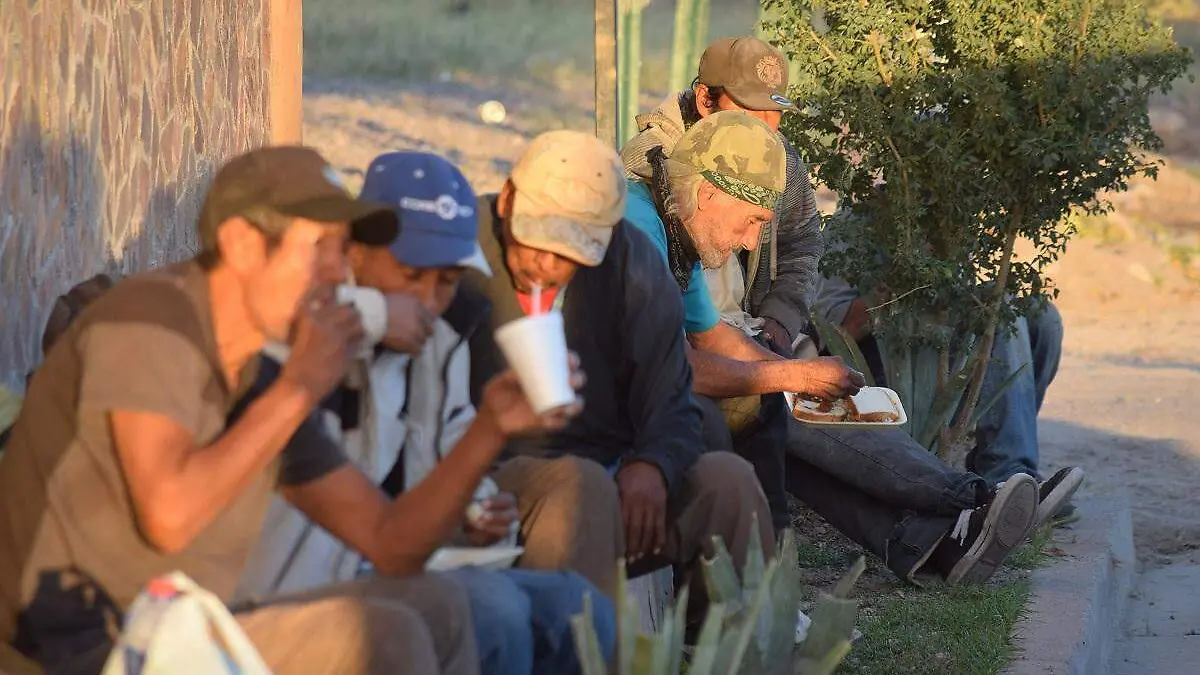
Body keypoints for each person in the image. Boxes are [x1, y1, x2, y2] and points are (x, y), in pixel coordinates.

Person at [0, 146, 576, 675]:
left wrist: (489, 429)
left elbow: (389, 542)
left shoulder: (265, 372)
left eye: (342, 249)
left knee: (443, 606)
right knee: (384, 634)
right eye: (320, 248)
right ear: (243, 244)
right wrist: (300, 388)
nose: (338, 271)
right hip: (83, 649)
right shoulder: (153, 320)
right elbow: (168, 515)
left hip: (194, 629)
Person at [621, 109, 1045, 585]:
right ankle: (967, 500)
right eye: (752, 221)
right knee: (760, 412)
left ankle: (931, 540)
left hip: (655, 393)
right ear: (708, 194)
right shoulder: (638, 227)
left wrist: (798, 377)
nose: (753, 240)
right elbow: (671, 366)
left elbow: (710, 335)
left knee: (783, 407)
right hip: (613, 415)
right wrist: (790, 376)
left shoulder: (680, 222)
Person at [235, 150, 615, 675]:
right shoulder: (307, 329)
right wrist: (373, 316)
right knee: (495, 611)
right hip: (296, 584)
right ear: (355, 252)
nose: (428, 301)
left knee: (576, 607)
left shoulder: (440, 339)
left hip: (399, 557)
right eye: (411, 275)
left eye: (447, 281)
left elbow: (445, 448)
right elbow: (280, 321)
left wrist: (475, 511)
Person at [461, 129, 774, 632]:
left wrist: (653, 463)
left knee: (727, 485)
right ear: (508, 199)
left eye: (571, 253)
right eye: (537, 241)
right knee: (575, 490)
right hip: (486, 483)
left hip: (604, 479)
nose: (548, 265)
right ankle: (577, 654)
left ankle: (721, 652)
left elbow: (671, 392)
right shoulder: (460, 253)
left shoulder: (630, 260)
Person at [817, 268, 1081, 524]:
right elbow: (832, 329)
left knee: (1042, 316)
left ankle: (1005, 462)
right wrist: (904, 281)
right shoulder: (847, 238)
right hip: (885, 375)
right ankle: (1007, 477)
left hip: (942, 363)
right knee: (996, 304)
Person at [622, 35, 823, 358]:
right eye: (749, 110)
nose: (766, 127)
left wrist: (779, 321)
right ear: (705, 99)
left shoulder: (777, 156)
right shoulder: (650, 167)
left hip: (744, 327)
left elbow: (801, 242)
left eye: (775, 111)